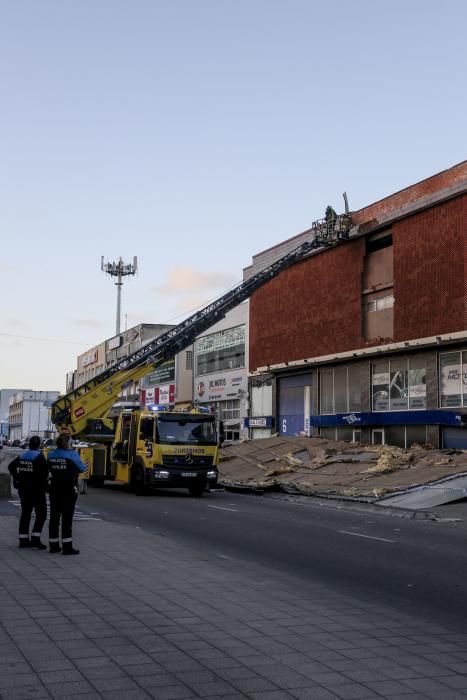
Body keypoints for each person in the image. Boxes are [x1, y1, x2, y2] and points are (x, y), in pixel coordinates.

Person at [47, 432, 86, 555]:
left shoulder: (51, 454)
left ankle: (53, 546)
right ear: (68, 442)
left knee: (54, 517)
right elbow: (82, 468)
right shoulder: (72, 454)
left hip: (54, 489)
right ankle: (67, 547)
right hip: (68, 489)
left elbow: (48, 469)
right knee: (67, 519)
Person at [8, 436, 48, 549]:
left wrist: (17, 477)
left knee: (26, 513)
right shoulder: (39, 457)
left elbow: (11, 466)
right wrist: (46, 487)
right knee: (41, 514)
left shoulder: (23, 455)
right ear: (39, 445)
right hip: (37, 490)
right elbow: (44, 474)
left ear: (29, 444)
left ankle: (23, 539)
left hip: (23, 489)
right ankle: (35, 538)